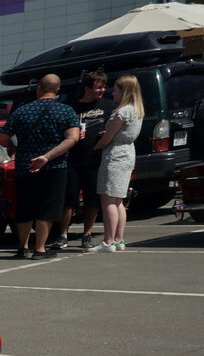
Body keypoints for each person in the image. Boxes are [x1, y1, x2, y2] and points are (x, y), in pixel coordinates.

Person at [0, 74, 80, 259]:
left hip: (24, 165)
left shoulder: (21, 111)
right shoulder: (66, 111)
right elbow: (72, 138)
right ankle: (40, 248)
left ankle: (22, 247)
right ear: (57, 90)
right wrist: (47, 157)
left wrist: (12, 145)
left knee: (24, 206)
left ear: (38, 89)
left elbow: (1, 138)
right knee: (48, 207)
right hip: (54, 166)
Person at [53, 71, 116, 250]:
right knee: (68, 200)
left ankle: (87, 235)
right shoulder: (71, 107)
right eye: (98, 87)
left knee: (92, 200)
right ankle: (63, 235)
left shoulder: (109, 106)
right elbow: (61, 131)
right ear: (87, 88)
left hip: (95, 160)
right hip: (72, 160)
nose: (102, 90)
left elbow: (117, 128)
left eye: (104, 87)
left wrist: (108, 134)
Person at [90, 74, 144, 253]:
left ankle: (108, 241)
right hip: (128, 154)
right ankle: (119, 240)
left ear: (125, 91)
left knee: (108, 201)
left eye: (116, 89)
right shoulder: (137, 110)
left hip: (115, 156)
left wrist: (95, 146)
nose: (113, 92)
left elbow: (107, 139)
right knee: (118, 199)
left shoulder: (122, 112)